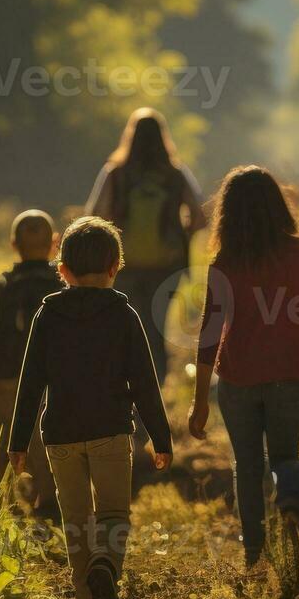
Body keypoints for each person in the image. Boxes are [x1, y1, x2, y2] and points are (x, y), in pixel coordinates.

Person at [7, 217, 174, 599]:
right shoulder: (124, 313)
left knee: (76, 520)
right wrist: (160, 436)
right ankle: (106, 568)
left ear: (61, 269)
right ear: (116, 266)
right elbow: (145, 382)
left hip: (60, 435)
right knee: (114, 513)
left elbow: (30, 382)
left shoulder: (47, 315)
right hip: (112, 432)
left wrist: (17, 440)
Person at [187, 165, 299, 571]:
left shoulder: (225, 263)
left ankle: (255, 554)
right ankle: (290, 502)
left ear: (228, 214)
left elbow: (208, 335)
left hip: (239, 379)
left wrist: (199, 401)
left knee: (248, 465)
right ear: (278, 206)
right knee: (286, 455)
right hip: (291, 374)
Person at [85, 108, 205, 392]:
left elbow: (94, 214)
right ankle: (155, 390)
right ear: (163, 138)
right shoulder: (176, 174)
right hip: (167, 265)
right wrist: (178, 237)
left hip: (125, 263)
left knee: (126, 327)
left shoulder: (115, 173)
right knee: (155, 328)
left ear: (130, 136)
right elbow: (200, 217)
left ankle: (125, 386)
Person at [0, 209, 65, 522]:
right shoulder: (60, 284)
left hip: (6, 376)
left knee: (5, 434)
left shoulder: (2, 285)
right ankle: (48, 498)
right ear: (54, 244)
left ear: (12, 244)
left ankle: (2, 496)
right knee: (47, 436)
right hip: (50, 379)